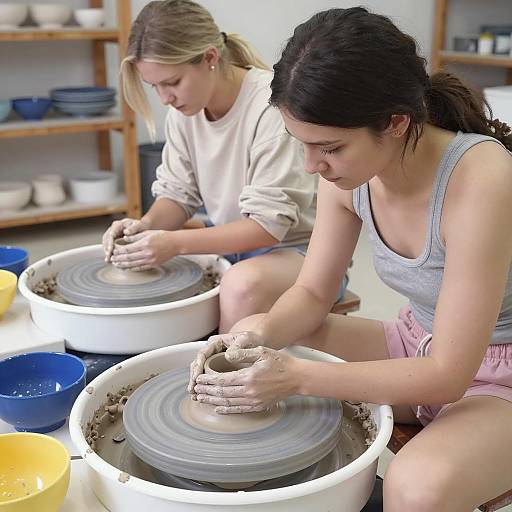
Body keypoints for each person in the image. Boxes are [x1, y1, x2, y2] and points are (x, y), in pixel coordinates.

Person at [187, 7, 512, 511]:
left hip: (497, 375)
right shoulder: (344, 174)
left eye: (330, 148)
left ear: (398, 122)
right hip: (417, 341)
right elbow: (314, 293)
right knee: (256, 328)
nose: (312, 165)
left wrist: (295, 378)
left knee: (415, 486)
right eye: (303, 145)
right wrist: (257, 340)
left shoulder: (481, 178)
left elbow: (449, 373)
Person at [101, 0, 346, 333]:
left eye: (172, 82)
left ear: (210, 58)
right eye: (154, 86)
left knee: (240, 285)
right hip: (232, 248)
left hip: (299, 253)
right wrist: (143, 229)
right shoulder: (184, 113)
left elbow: (265, 228)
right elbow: (178, 196)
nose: (164, 99)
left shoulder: (273, 106)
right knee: (153, 284)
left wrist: (173, 243)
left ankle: (216, 380)